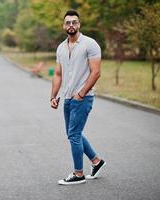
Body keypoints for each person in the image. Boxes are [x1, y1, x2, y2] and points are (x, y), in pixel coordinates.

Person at [50, 9, 106, 185]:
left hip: (83, 97)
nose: (71, 25)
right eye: (68, 22)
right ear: (63, 25)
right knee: (73, 133)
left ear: (79, 24)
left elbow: (96, 72)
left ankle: (78, 174)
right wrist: (53, 96)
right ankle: (96, 161)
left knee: (74, 134)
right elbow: (58, 74)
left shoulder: (90, 44)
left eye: (74, 22)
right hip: (67, 98)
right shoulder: (61, 47)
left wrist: (81, 93)